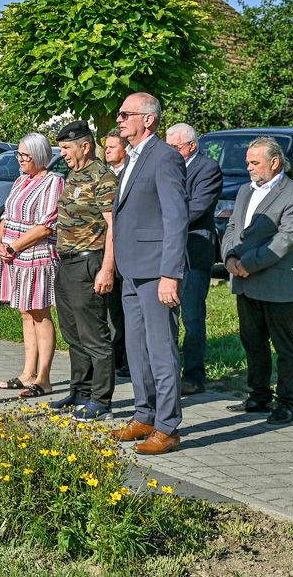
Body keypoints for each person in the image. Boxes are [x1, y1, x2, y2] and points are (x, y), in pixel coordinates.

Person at [107, 92, 189, 455]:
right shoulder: (133, 158)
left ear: (148, 119)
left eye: (126, 114)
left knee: (161, 350)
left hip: (157, 271)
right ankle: (145, 414)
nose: (120, 119)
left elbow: (176, 218)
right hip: (131, 270)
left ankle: (167, 427)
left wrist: (170, 273)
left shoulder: (165, 157)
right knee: (136, 349)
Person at [221, 137, 293, 425]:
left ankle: (288, 402)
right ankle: (259, 395)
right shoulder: (245, 191)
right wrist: (229, 257)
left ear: (274, 162)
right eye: (247, 162)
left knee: (285, 347)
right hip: (245, 282)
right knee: (252, 342)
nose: (248, 168)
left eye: (254, 162)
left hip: (277, 284)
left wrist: (247, 264)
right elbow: (233, 227)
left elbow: (286, 239)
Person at [50, 121, 118, 421]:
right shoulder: (73, 175)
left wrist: (107, 268)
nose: (63, 154)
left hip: (89, 261)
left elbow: (114, 226)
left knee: (94, 336)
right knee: (73, 333)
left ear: (85, 146)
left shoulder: (103, 177)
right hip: (66, 262)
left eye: (67, 148)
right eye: (62, 148)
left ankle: (101, 401)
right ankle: (80, 391)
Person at [0, 133, 64, 399]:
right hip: (14, 257)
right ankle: (27, 372)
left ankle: (43, 378)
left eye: (25, 155)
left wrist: (14, 246)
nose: (20, 160)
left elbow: (46, 225)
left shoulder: (53, 181)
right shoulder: (21, 180)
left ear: (40, 155)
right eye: (19, 154)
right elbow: (6, 216)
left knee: (40, 313)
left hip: (36, 256)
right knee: (25, 312)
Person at [165, 123, 224, 396]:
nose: (171, 152)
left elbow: (198, 206)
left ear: (191, 146)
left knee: (192, 317)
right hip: (168, 251)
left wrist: (163, 220)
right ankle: (167, 373)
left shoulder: (207, 168)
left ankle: (194, 376)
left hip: (193, 251)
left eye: (175, 147)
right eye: (168, 147)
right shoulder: (167, 167)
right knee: (167, 317)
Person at [103, 128, 129, 379]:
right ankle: (116, 355)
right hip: (107, 251)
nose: (107, 151)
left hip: (129, 250)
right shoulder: (105, 175)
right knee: (113, 309)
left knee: (128, 308)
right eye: (106, 146)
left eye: (112, 146)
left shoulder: (130, 173)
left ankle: (130, 359)